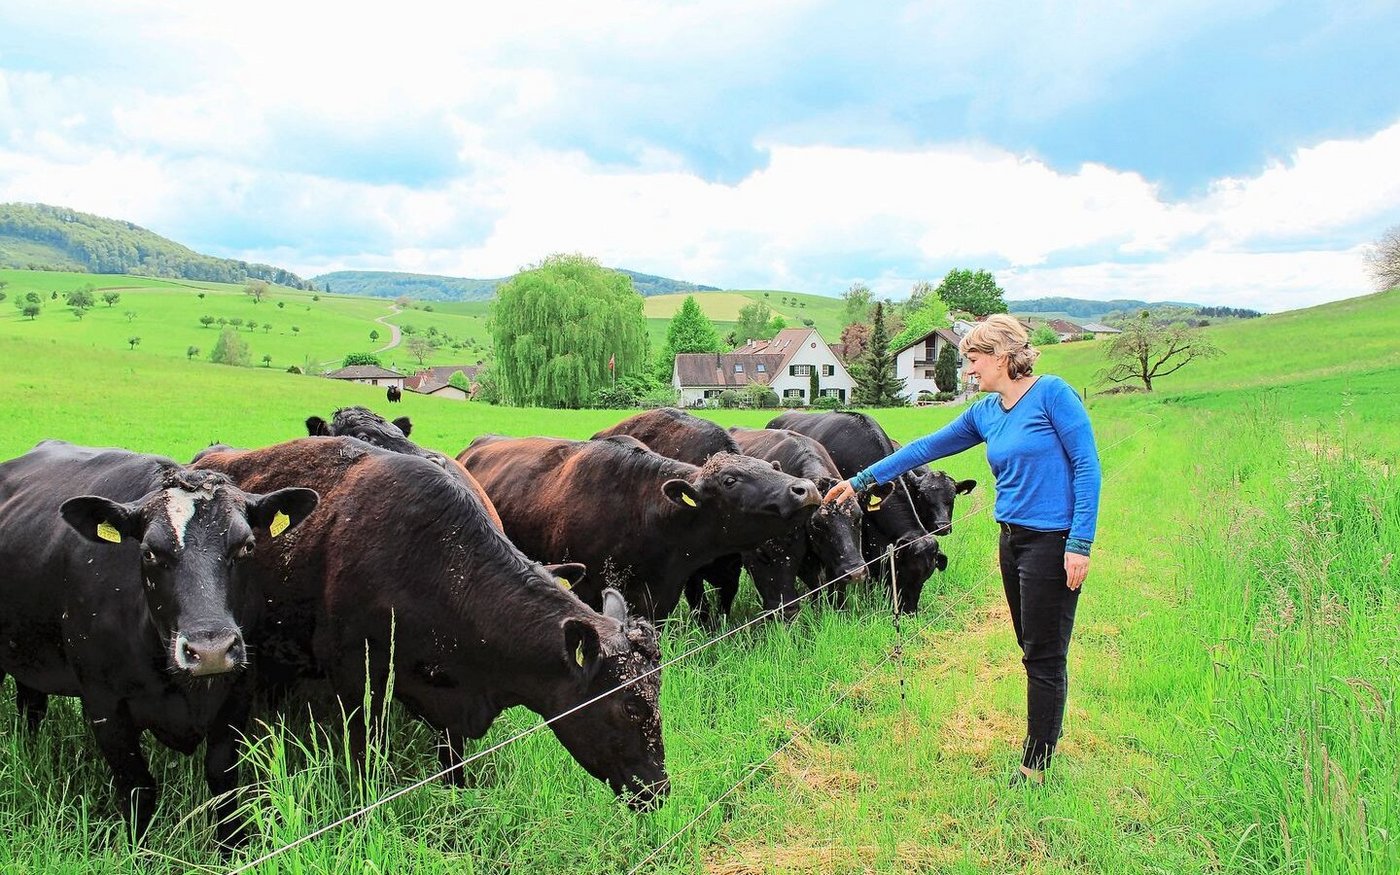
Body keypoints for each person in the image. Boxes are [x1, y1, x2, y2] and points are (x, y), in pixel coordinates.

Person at [824, 314, 1101, 786]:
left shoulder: (1053, 394)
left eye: (973, 360)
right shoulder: (986, 412)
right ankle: (1043, 743)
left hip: (1053, 541)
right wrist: (860, 480)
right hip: (1011, 539)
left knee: (1044, 653)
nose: (969, 371)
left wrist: (1079, 542)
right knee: (1029, 645)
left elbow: (1087, 468)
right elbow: (924, 448)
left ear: (1002, 356)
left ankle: (1035, 765)